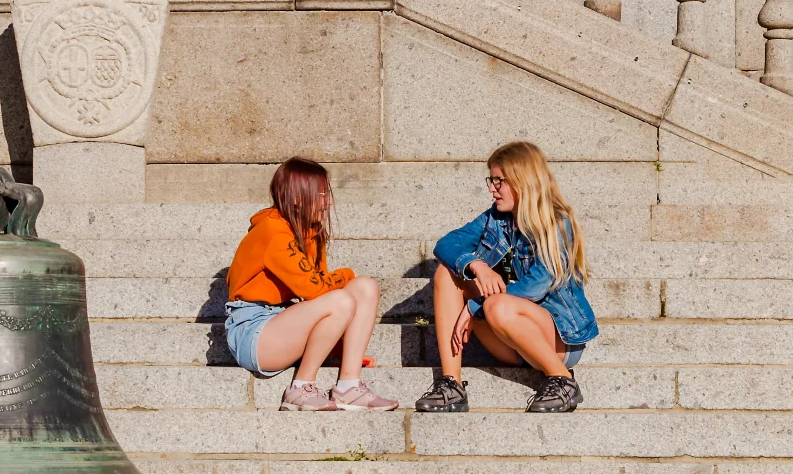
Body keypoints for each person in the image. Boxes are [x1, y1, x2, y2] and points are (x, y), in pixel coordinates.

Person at [414, 140, 598, 413]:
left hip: (556, 340)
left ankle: (562, 380)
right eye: (491, 180)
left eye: (498, 181)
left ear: (522, 181)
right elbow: (446, 244)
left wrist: (473, 307)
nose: (491, 188)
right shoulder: (495, 220)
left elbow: (537, 284)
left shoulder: (558, 223)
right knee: (446, 274)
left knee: (496, 305)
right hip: (509, 340)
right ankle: (452, 384)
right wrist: (478, 266)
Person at [223, 157, 397, 411]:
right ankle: (299, 388)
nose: (328, 201)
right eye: (322, 193)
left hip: (284, 320)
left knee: (365, 287)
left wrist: (342, 347)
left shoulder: (312, 234)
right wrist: (346, 274)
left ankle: (349, 385)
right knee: (342, 296)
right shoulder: (272, 231)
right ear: (297, 197)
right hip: (253, 331)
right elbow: (316, 289)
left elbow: (317, 297)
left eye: (327, 193)